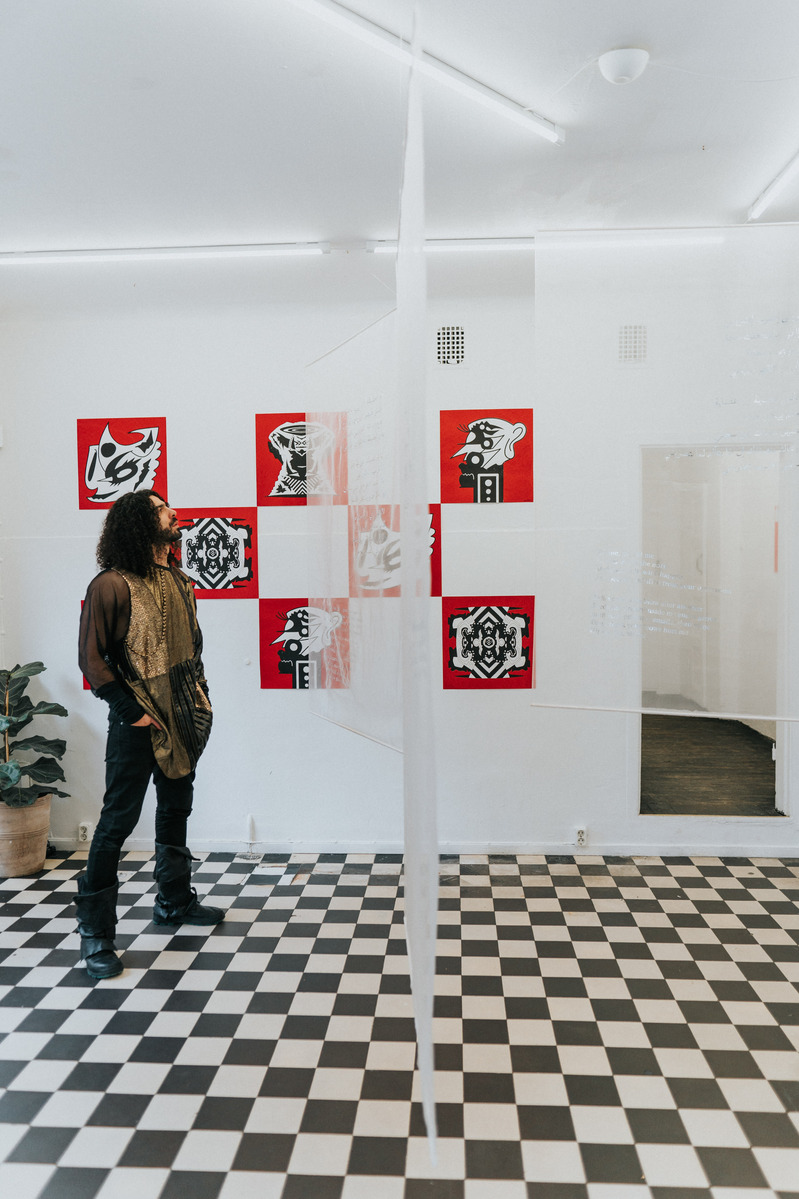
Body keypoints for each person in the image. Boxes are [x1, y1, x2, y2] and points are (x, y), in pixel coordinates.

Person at [77, 490, 223, 979]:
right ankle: (96, 935)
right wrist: (131, 712)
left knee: (176, 808)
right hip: (136, 722)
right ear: (140, 523)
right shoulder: (111, 585)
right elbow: (92, 660)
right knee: (116, 823)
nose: (173, 513)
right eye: (162, 509)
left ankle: (174, 901)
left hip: (182, 718)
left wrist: (198, 700)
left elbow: (192, 651)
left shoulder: (180, 580)